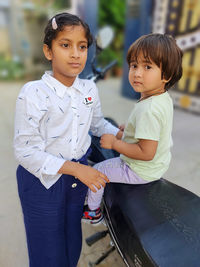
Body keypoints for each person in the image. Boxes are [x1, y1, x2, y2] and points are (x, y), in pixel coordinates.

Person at [14, 12, 122, 267]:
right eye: (65, 45)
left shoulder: (88, 89)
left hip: (77, 180)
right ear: (48, 51)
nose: (76, 54)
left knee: (71, 242)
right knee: (47, 254)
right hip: (42, 182)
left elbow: (97, 124)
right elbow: (25, 151)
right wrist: (78, 170)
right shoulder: (34, 93)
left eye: (82, 47)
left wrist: (120, 134)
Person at [82, 33, 183, 224]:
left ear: (167, 75)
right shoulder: (160, 98)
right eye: (134, 65)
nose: (137, 73)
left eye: (147, 67)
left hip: (139, 168)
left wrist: (115, 143)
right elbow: (153, 131)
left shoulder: (149, 109)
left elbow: (145, 152)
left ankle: (92, 212)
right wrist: (126, 132)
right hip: (159, 164)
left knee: (97, 171)